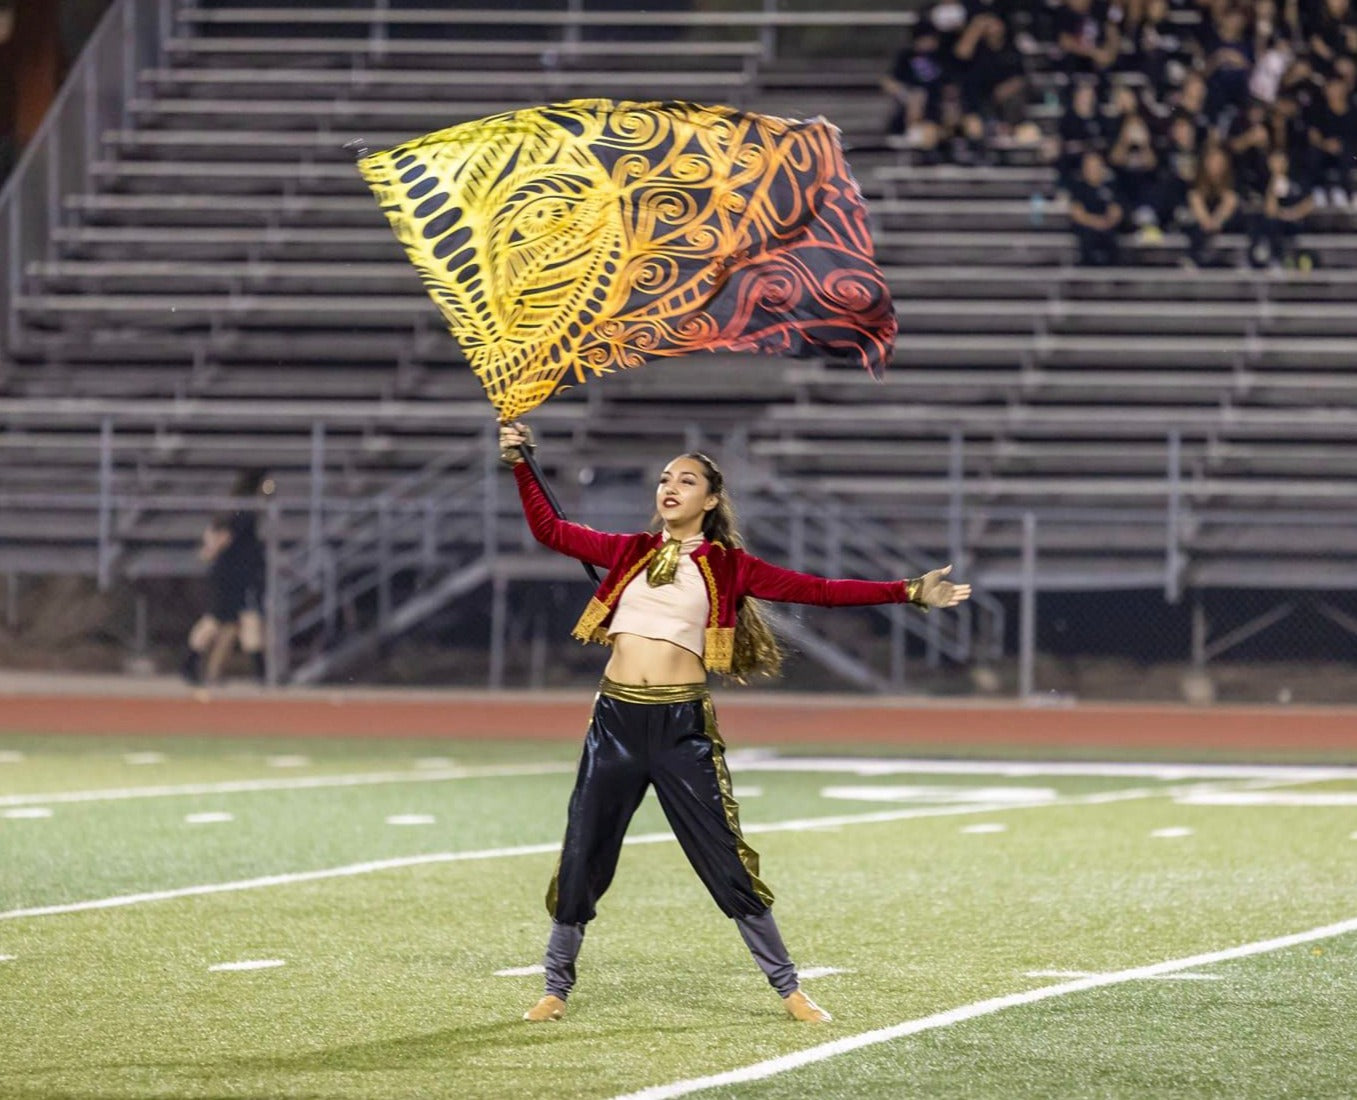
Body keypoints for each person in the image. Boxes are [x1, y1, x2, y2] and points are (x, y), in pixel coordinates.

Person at [497, 422, 971, 1024]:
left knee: (723, 857)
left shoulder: (730, 566)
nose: (670, 487)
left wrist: (907, 591)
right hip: (614, 722)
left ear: (711, 500)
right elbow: (550, 530)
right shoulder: (627, 552)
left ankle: (788, 987)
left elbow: (820, 590)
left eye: (686, 480)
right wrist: (520, 462)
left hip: (679, 729)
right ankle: (555, 987)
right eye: (665, 478)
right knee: (583, 851)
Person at [1249, 146, 1314, 268]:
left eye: (1280, 160)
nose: (1278, 164)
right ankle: (1272, 259)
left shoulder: (1298, 178)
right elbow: (1270, 211)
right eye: (1274, 161)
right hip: (1276, 223)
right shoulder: (1265, 182)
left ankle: (1271, 256)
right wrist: (1274, 179)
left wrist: (1290, 214)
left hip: (1295, 221)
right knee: (1266, 224)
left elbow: (1309, 203)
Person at [1183, 143, 1242, 267]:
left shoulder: (1231, 186)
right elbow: (1196, 203)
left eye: (1219, 162)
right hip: (1203, 224)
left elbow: (1231, 202)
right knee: (1194, 204)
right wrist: (1207, 222)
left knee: (1231, 199)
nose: (1215, 166)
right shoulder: (1196, 187)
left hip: (1225, 223)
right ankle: (1194, 259)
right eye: (1212, 161)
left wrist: (1216, 221)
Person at [1069, 150, 1124, 265]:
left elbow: (1116, 211)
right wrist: (1097, 223)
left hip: (1107, 227)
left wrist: (1107, 222)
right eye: (1089, 167)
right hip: (1087, 228)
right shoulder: (1078, 188)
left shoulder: (1111, 187)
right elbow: (1078, 214)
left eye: (1096, 166)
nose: (1093, 170)